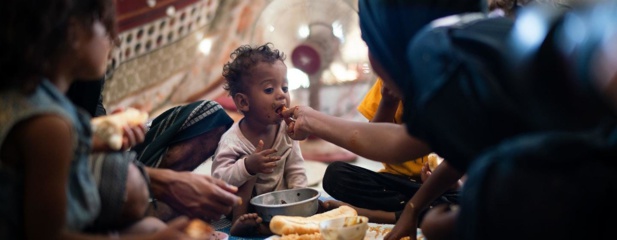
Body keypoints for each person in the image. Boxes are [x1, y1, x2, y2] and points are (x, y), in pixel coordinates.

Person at [0, 0, 199, 238]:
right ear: (73, 34)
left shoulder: (27, 97)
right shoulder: (50, 125)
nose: (113, 41)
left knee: (152, 228)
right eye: (106, 29)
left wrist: (98, 139)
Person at [321, 78, 460, 224]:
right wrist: (388, 102)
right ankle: (422, 211)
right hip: (394, 185)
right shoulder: (386, 79)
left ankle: (375, 214)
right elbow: (371, 142)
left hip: (441, 183)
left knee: (467, 200)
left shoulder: (444, 80)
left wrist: (447, 183)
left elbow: (461, 165)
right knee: (335, 174)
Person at [211, 43, 308, 236]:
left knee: (316, 208)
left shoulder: (287, 130)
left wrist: (300, 200)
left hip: (280, 204)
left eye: (285, 87)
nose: (281, 94)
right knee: (248, 169)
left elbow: (295, 168)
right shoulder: (233, 140)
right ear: (244, 102)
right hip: (244, 207)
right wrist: (247, 166)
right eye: (270, 89)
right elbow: (219, 180)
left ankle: (267, 227)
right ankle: (241, 224)